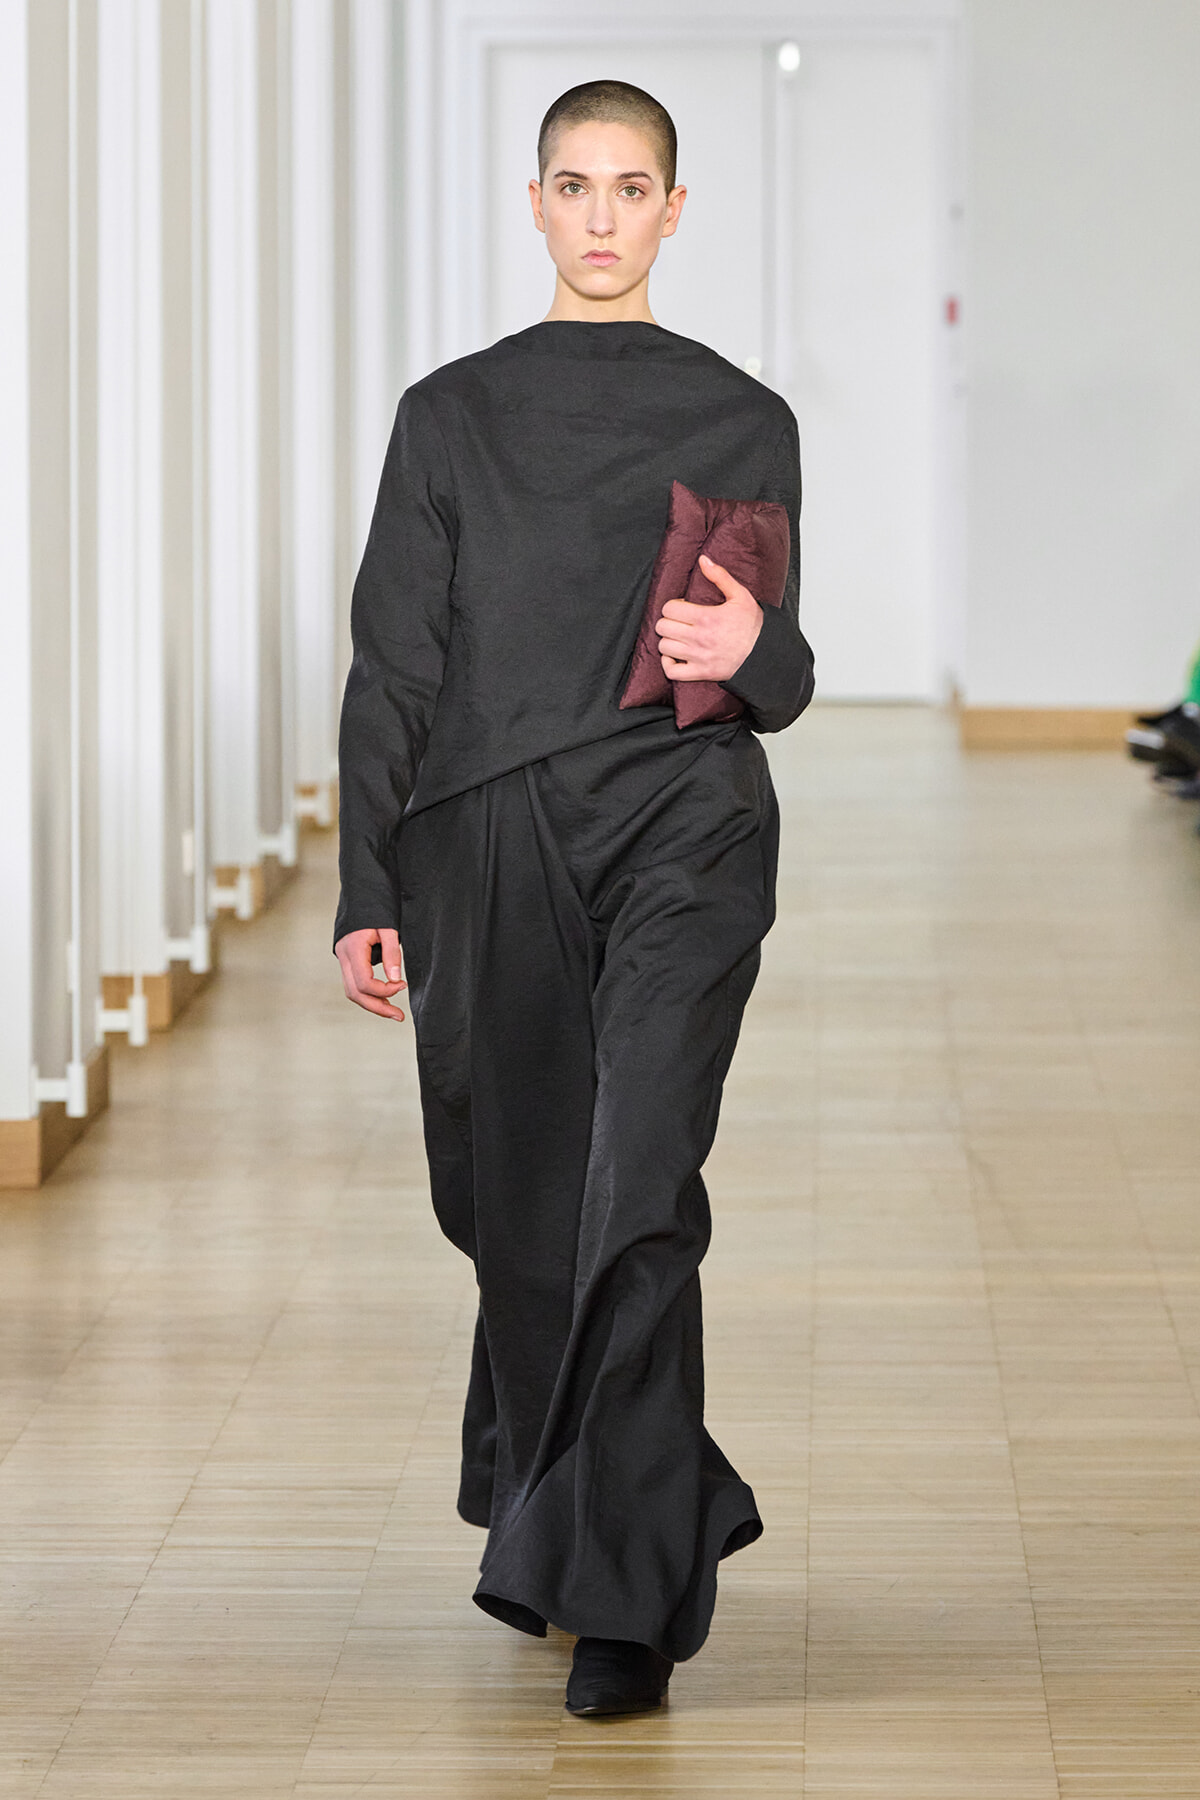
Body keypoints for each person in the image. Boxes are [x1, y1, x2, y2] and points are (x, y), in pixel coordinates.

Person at [333, 79, 815, 1717]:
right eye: (574, 185)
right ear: (533, 203)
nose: (603, 216)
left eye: (633, 188)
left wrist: (764, 659)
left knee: (641, 1188)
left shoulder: (745, 418)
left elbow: (769, 669)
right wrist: (363, 882)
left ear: (677, 211)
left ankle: (628, 1602)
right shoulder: (449, 417)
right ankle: (641, 1498)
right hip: (489, 844)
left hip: (685, 832)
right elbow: (394, 667)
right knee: (521, 1216)